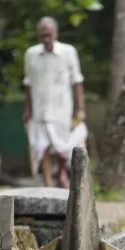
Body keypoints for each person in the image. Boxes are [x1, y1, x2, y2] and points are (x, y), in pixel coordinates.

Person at [22, 17, 87, 189]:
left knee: (62, 146)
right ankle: (48, 181)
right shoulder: (31, 54)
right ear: (38, 36)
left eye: (49, 35)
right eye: (43, 36)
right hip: (40, 109)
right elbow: (28, 84)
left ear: (55, 34)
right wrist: (26, 109)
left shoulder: (68, 52)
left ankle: (61, 175)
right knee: (41, 146)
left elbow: (77, 81)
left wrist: (80, 109)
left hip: (62, 109)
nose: (46, 39)